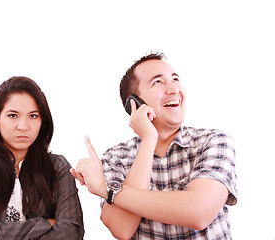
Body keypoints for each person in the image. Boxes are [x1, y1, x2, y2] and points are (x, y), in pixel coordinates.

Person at [71, 53, 237, 239]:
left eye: (175, 79)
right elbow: (122, 228)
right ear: (134, 104)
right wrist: (149, 139)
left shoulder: (213, 141)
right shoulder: (116, 157)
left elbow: (199, 212)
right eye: (158, 82)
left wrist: (106, 189)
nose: (173, 88)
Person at [0, 76, 84, 239]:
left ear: (42, 121)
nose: (23, 126)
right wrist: (47, 223)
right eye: (12, 115)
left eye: (33, 116)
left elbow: (72, 232)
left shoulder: (58, 166)